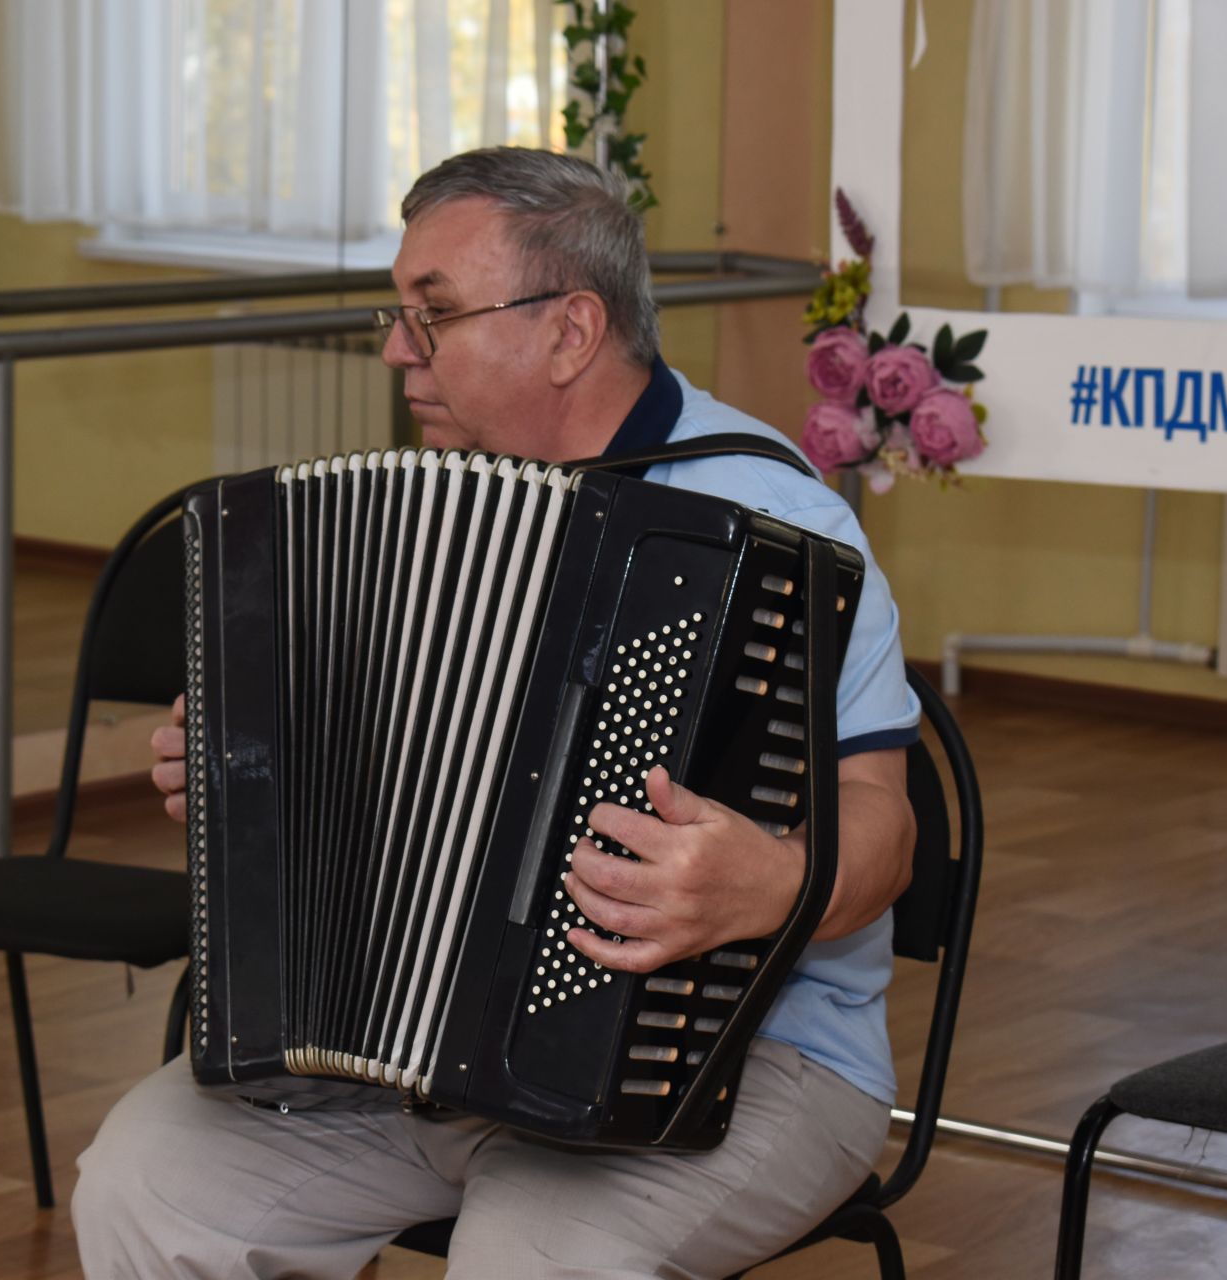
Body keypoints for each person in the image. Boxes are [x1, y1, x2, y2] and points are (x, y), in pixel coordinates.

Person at [73, 147, 921, 1279]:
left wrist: (773, 879)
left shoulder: (770, 521)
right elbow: (372, 796)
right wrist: (243, 776)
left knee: (534, 1256)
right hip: (413, 1054)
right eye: (397, 312)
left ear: (570, 331)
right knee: (144, 1178)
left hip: (755, 1052)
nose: (394, 350)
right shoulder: (415, 510)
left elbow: (888, 822)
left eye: (432, 316)